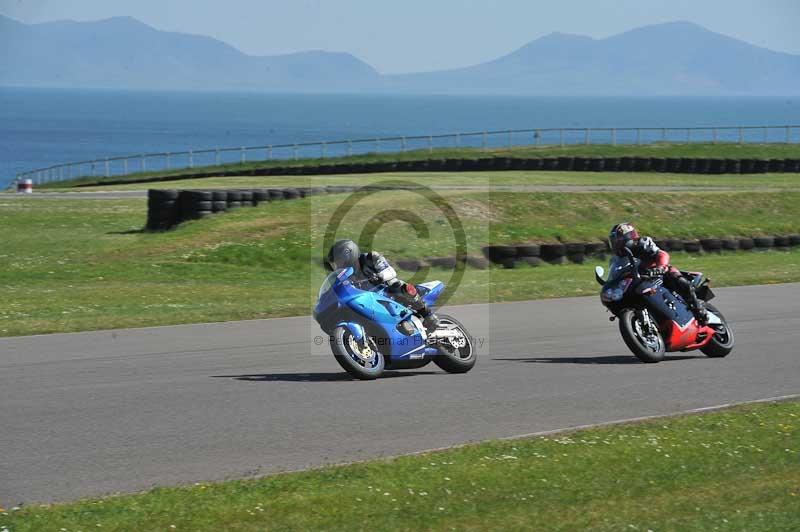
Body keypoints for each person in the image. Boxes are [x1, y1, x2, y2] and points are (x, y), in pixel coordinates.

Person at [325, 239, 440, 332]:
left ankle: (427, 314)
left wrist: (380, 276)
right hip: (367, 301)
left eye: (338, 261)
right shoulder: (344, 275)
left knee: (397, 285)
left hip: (384, 291)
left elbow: (390, 272)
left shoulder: (370, 258)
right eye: (335, 263)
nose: (337, 265)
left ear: (349, 253)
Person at [608, 223, 708, 323]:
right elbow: (616, 274)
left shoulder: (643, 243)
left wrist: (661, 267)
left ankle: (698, 309)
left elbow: (661, 254)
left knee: (679, 280)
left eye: (618, 241)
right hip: (640, 281)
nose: (616, 245)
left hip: (658, 273)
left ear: (628, 238)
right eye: (614, 242)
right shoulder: (615, 260)